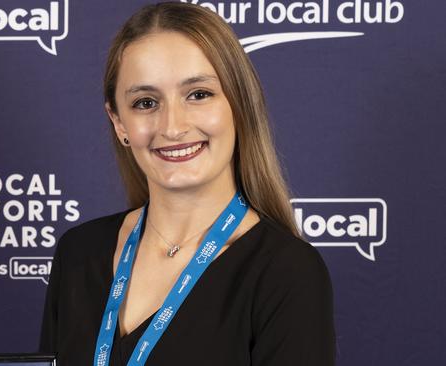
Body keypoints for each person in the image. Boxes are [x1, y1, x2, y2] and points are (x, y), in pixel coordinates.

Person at [39, 2, 335, 365]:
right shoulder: (78, 254)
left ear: (239, 104)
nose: (172, 127)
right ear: (119, 123)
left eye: (198, 94)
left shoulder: (286, 272)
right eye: (146, 102)